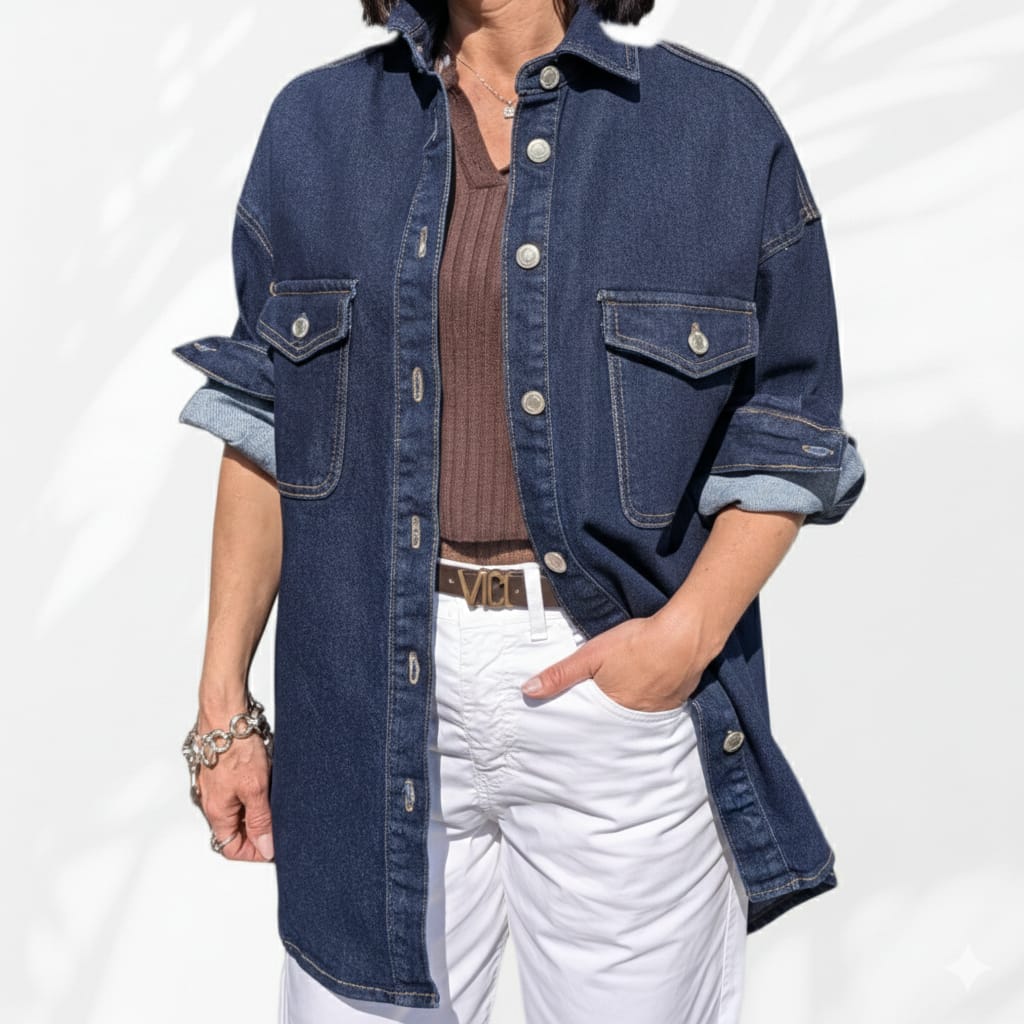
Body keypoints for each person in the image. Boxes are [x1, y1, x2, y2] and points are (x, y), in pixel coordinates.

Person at [172, 0, 866, 1021]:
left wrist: (684, 637)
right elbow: (266, 425)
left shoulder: (713, 129)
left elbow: (791, 421)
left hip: (610, 688)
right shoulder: (316, 126)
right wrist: (221, 708)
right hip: (370, 689)